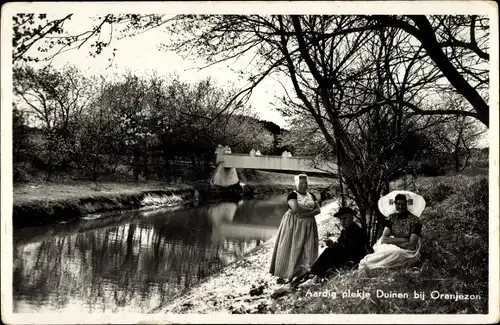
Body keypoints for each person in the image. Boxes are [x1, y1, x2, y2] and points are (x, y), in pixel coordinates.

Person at [271, 207, 370, 297]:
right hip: (346, 257)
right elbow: (342, 245)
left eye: (345, 218)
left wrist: (333, 245)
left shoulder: (356, 231)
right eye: (341, 219)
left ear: (352, 218)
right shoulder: (346, 230)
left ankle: (299, 282)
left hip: (354, 261)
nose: (342, 222)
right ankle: (300, 281)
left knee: (328, 253)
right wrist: (333, 244)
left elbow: (351, 249)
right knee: (327, 254)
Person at [269, 174, 321, 282]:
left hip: (309, 225)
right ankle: (288, 273)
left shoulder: (311, 195)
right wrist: (311, 210)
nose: (304, 185)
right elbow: (296, 208)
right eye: (301, 183)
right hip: (294, 224)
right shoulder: (292, 195)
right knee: (292, 247)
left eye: (306, 183)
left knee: (308, 248)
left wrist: (306, 213)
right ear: (297, 184)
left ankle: (305, 272)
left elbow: (318, 210)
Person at [358, 191, 425, 270]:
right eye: (398, 204)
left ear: (406, 204)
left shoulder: (415, 221)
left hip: (407, 250)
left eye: (403, 204)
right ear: (395, 205)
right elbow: (384, 239)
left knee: (397, 253)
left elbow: (411, 245)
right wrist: (402, 239)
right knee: (385, 251)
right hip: (396, 244)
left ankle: (372, 265)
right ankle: (367, 263)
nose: (400, 207)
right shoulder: (391, 218)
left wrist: (392, 242)